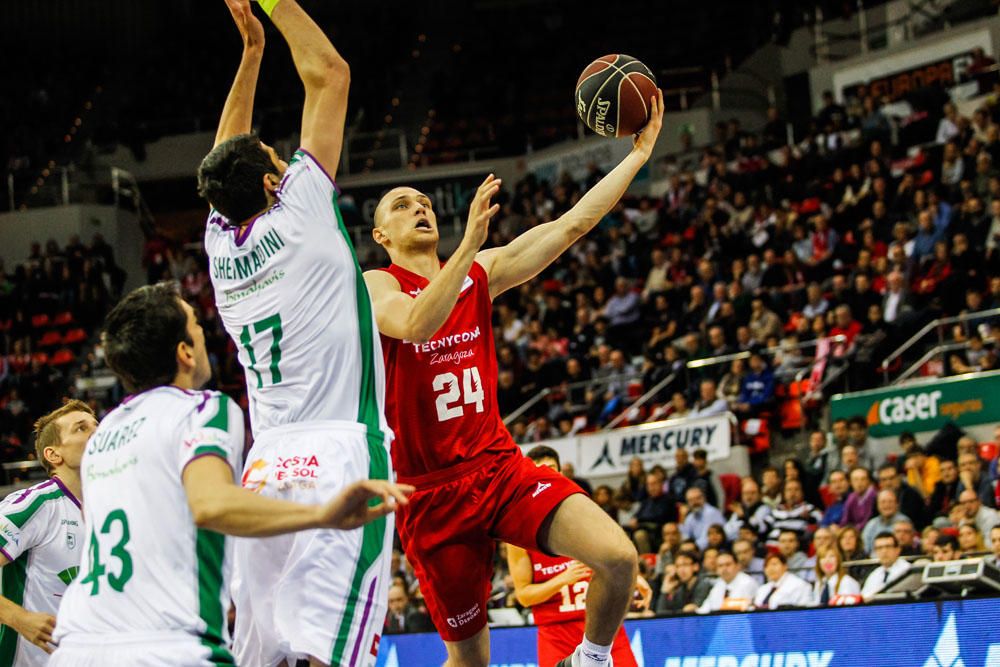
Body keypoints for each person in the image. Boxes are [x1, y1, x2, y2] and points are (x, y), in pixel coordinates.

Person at [365, 83, 665, 667]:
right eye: (401, 206)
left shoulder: (480, 270)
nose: (418, 207)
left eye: (422, 201)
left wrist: (636, 155)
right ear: (381, 237)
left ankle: (591, 660)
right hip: (431, 495)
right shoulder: (378, 285)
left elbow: (572, 225)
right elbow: (419, 325)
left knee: (618, 556)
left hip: (498, 468)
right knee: (470, 662)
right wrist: (469, 246)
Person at [49, 283, 411, 666]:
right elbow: (211, 504)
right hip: (165, 647)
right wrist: (322, 516)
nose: (205, 332)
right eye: (197, 325)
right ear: (185, 353)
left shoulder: (103, 435)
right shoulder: (202, 409)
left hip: (77, 645)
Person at [196, 2, 398, 664]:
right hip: (340, 451)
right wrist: (273, 5)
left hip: (266, 464)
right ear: (271, 178)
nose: (287, 158)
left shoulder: (220, 244)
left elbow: (225, 159)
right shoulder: (303, 207)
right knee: (330, 654)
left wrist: (251, 53)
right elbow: (330, 73)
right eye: (277, 157)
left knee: (264, 653)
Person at [507, 447, 645, 667]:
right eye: (538, 469)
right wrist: (562, 579)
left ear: (560, 473)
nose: (546, 475)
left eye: (551, 469)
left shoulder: (581, 516)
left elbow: (613, 558)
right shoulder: (518, 537)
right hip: (556, 634)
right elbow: (524, 596)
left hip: (602, 627)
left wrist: (633, 576)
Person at [0, 401, 91, 665]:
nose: (96, 431)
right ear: (53, 455)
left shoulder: (108, 513)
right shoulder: (36, 504)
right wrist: (19, 618)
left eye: (96, 425)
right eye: (81, 428)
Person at [655, 551, 712, 615]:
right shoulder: (681, 589)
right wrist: (665, 591)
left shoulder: (704, 584)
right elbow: (661, 613)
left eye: (685, 565)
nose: (681, 569)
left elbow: (692, 611)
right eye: (678, 566)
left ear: (696, 566)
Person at [861, 533, 911, 600]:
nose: (884, 551)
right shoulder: (874, 575)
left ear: (897, 549)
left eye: (888, 546)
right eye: (879, 548)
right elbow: (864, 598)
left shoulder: (907, 570)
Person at [681, 486, 726, 550]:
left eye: (697, 498)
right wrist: (682, 517)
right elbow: (685, 535)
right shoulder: (690, 517)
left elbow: (707, 538)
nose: (695, 502)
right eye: (691, 500)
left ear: (704, 498)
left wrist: (694, 546)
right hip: (699, 549)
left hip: (715, 549)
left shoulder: (712, 513)